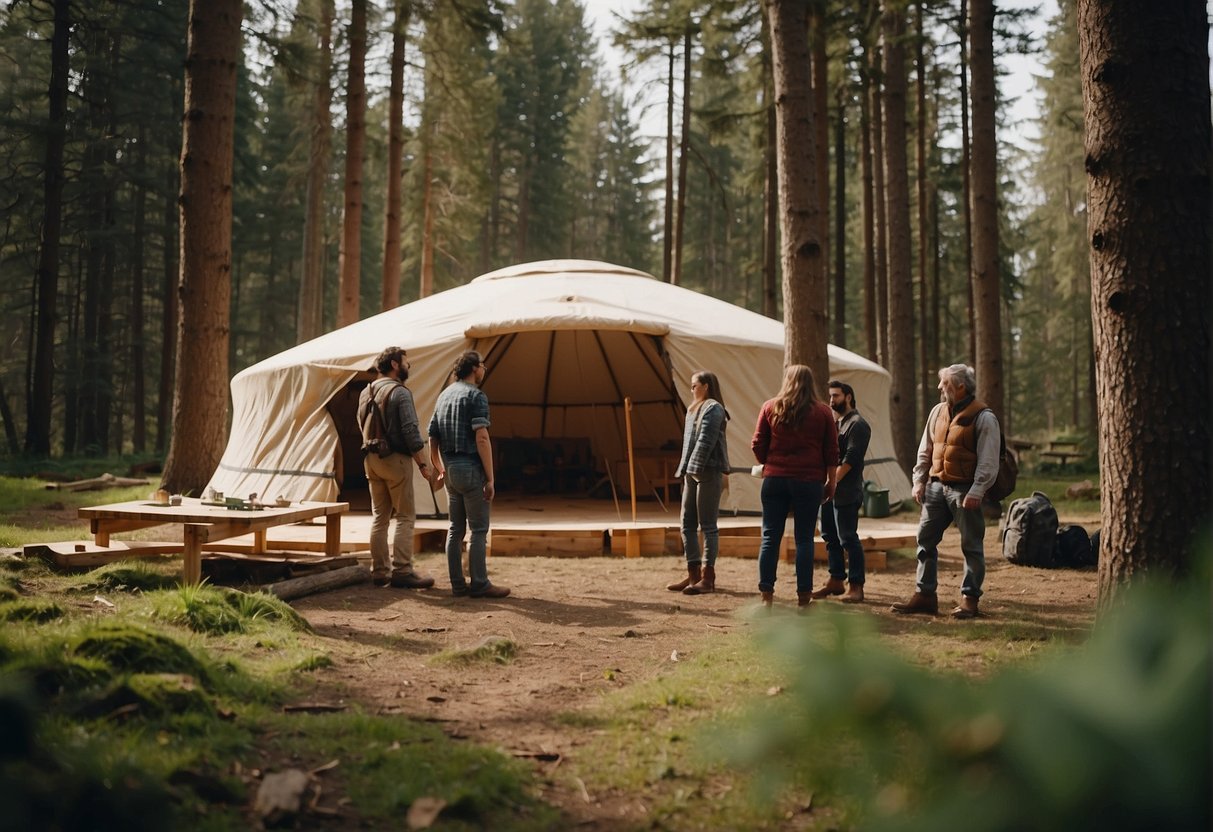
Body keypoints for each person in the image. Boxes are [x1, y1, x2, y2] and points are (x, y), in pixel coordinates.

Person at [892, 363, 1000, 619]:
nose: (940, 387)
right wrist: (919, 481)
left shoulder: (984, 417)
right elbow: (926, 448)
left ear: (961, 386)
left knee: (971, 545)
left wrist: (977, 490)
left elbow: (988, 459)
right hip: (936, 487)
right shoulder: (938, 412)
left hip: (966, 491)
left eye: (945, 383)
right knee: (924, 540)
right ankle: (925, 595)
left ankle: (969, 599)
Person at [751, 364, 839, 609]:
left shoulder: (770, 407)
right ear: (811, 383)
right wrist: (831, 482)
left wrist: (768, 463)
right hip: (808, 482)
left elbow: (757, 443)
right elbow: (832, 452)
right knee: (804, 539)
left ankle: (766, 595)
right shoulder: (822, 412)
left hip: (775, 480)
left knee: (770, 536)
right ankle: (803, 597)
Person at [428, 350, 510, 599]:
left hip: (450, 469)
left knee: (455, 529)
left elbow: (432, 437)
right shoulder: (476, 396)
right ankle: (479, 583)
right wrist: (491, 477)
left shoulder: (443, 395)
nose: (484, 370)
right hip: (470, 467)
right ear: (474, 368)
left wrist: (439, 467)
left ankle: (457, 584)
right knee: (478, 529)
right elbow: (482, 437)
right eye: (482, 366)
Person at [357, 346, 437, 589]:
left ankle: (380, 571)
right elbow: (411, 432)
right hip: (395, 459)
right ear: (394, 364)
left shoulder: (365, 391)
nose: (408, 366)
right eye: (405, 362)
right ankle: (402, 570)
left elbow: (361, 424)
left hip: (370, 458)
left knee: (379, 517)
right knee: (404, 516)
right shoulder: (400, 393)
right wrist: (423, 463)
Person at [667, 371, 731, 595]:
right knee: (686, 523)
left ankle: (707, 578)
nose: (692, 389)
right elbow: (689, 443)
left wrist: (693, 469)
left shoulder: (714, 408)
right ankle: (693, 574)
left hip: (708, 472)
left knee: (708, 525)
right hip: (691, 473)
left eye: (695, 385)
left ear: (706, 386)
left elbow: (706, 441)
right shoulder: (694, 408)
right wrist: (685, 470)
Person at [810, 379, 871, 603]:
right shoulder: (837, 423)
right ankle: (836, 580)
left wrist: (832, 481)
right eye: (830, 396)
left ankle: (856, 586)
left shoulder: (858, 424)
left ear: (848, 396)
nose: (831, 400)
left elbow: (851, 459)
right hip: (828, 490)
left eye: (836, 396)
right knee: (829, 536)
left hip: (845, 491)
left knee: (847, 538)